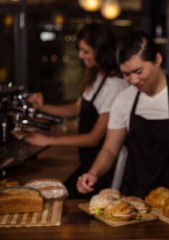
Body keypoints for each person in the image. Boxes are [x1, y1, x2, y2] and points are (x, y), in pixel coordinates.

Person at [76, 31, 169, 198]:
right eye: (126, 74)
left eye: (138, 71)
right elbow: (109, 149)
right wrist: (93, 173)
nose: (134, 80)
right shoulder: (124, 100)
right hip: (132, 196)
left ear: (157, 60)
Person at [25, 22, 129, 198]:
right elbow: (76, 108)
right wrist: (42, 107)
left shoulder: (115, 85)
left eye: (86, 51)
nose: (80, 56)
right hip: (87, 161)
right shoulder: (97, 76)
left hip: (103, 166)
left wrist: (48, 140)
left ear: (101, 51)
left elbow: (94, 139)